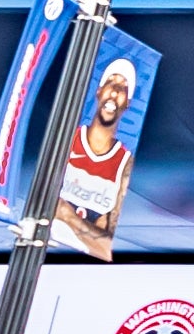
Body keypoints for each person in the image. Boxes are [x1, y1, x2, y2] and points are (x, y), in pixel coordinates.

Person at [54, 55, 141, 256]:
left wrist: (69, 217)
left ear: (127, 103)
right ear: (99, 92)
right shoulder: (68, 139)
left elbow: (104, 247)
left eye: (123, 88)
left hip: (79, 262)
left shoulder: (123, 163)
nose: (116, 91)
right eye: (111, 82)